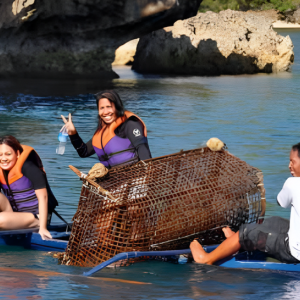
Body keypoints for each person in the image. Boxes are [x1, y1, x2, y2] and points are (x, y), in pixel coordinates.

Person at [190, 142, 300, 264]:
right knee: (275, 222)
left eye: (293, 162)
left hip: (294, 252)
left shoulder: (293, 183)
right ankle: (235, 241)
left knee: (249, 231)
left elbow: (281, 202)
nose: (289, 166)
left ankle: (206, 259)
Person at [61, 90, 152, 168]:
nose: (105, 112)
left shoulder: (130, 124)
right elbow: (83, 152)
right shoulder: (102, 132)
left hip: (136, 179)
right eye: (102, 108)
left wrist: (147, 178)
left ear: (117, 107)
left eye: (109, 107)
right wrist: (73, 133)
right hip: (113, 183)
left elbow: (143, 150)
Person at [0, 135, 58, 240]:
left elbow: (43, 198)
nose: (4, 158)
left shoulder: (28, 167)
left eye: (8, 154)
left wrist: (43, 227)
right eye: (0, 155)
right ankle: (10, 221)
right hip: (15, 214)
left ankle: (37, 224)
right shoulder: (2, 170)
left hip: (36, 217)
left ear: (17, 154)